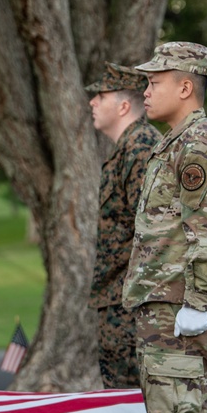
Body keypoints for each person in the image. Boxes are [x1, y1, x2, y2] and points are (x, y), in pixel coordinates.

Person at [122, 41, 207, 413]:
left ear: (185, 88)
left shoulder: (198, 146)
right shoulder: (177, 141)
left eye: (155, 82)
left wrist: (197, 305)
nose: (146, 92)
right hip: (165, 305)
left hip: (181, 308)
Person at [85, 62, 161, 389]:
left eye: (100, 95)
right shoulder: (128, 147)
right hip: (119, 300)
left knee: (132, 404)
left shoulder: (141, 147)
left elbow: (152, 231)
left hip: (132, 306)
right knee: (122, 401)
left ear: (124, 105)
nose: (92, 102)